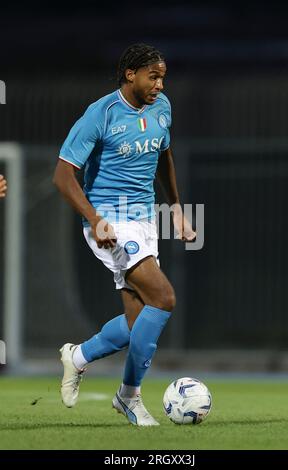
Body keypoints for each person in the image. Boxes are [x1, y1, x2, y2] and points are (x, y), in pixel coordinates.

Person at [53, 43, 196, 426]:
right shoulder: (100, 114)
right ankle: (129, 396)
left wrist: (176, 208)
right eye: (153, 76)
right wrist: (95, 219)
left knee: (139, 326)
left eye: (163, 77)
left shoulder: (162, 108)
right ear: (130, 74)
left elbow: (163, 156)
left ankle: (78, 356)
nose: (160, 85)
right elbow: (62, 176)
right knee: (163, 298)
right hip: (111, 222)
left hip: (146, 219)